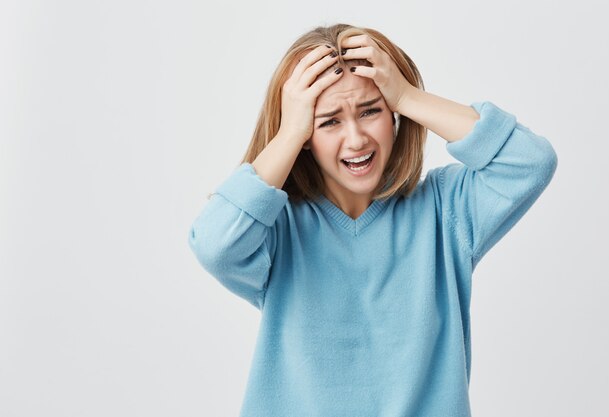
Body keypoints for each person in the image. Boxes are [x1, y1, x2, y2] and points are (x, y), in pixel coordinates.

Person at [187, 23, 558, 417]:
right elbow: (215, 244)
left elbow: (529, 162)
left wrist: (406, 94)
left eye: (371, 110)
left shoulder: (445, 210)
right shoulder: (277, 229)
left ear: (395, 115)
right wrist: (290, 130)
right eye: (329, 121)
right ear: (306, 138)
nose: (357, 138)